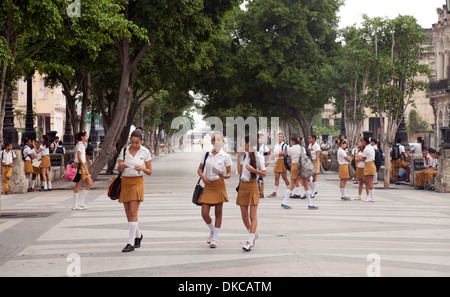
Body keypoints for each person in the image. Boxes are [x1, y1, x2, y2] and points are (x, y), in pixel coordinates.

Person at [117, 129, 152, 252]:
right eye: (132, 142)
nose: (134, 145)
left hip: (137, 182)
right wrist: (121, 166)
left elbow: (149, 171)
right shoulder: (125, 150)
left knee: (133, 212)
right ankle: (138, 235)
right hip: (125, 182)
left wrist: (141, 168)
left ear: (141, 141)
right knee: (128, 214)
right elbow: (118, 170)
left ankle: (130, 242)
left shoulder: (145, 152)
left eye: (137, 142)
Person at [197, 131, 232, 248]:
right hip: (208, 185)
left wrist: (223, 176)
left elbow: (229, 174)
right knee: (204, 212)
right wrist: (203, 177)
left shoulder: (226, 156)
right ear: (212, 141)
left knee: (218, 213)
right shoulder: (206, 154)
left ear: (222, 141)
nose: (216, 142)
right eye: (214, 139)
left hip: (219, 185)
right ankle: (212, 230)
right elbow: (199, 170)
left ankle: (215, 238)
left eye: (219, 139)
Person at [237, 135, 266, 251]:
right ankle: (252, 234)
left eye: (243, 142)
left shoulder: (258, 156)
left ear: (248, 143)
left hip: (253, 185)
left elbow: (264, 173)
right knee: (244, 216)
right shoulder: (244, 156)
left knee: (252, 216)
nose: (242, 145)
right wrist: (239, 158)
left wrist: (253, 170)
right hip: (243, 186)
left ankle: (249, 241)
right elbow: (239, 172)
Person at [281, 135, 318, 210]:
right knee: (305, 185)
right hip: (302, 167)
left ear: (293, 141)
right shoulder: (302, 148)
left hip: (294, 166)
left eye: (291, 141)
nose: (290, 142)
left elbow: (290, 158)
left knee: (292, 184)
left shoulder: (290, 149)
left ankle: (284, 202)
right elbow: (304, 157)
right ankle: (310, 203)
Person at [71, 131, 94, 210]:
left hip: (81, 165)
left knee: (89, 182)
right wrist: (85, 167)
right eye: (86, 136)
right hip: (80, 165)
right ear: (82, 137)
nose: (87, 137)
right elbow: (79, 157)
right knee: (78, 184)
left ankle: (80, 202)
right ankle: (75, 204)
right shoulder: (80, 145)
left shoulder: (81, 145)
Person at [266, 133, 289, 197]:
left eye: (281, 137)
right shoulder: (276, 145)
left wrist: (276, 154)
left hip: (282, 161)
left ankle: (289, 191)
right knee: (276, 177)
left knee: (284, 177)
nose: (280, 138)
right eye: (279, 137)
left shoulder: (284, 145)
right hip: (277, 161)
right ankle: (274, 192)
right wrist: (276, 154)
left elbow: (284, 153)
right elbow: (274, 153)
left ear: (283, 138)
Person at [356, 137, 376, 202]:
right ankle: (371, 196)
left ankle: (372, 197)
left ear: (364, 142)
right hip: (370, 164)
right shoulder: (371, 147)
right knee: (368, 181)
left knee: (369, 182)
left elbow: (363, 158)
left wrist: (358, 159)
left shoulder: (367, 148)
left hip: (369, 165)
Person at [256, 133, 270, 198]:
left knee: (261, 179)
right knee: (255, 178)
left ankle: (261, 192)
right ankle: (256, 191)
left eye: (263, 138)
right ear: (257, 139)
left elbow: (270, 153)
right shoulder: (254, 146)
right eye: (261, 138)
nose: (262, 140)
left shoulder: (264, 147)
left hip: (261, 164)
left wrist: (268, 161)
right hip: (255, 164)